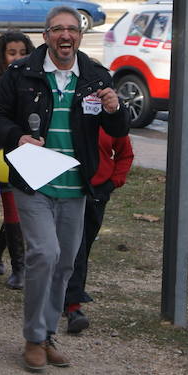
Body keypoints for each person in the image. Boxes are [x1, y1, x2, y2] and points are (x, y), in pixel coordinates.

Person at [0, 6, 128, 372]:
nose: (66, 36)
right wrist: (16, 137)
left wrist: (114, 109)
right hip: (33, 180)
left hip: (76, 185)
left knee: (64, 263)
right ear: (46, 35)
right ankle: (33, 338)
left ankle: (46, 334)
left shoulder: (96, 76)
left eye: (73, 30)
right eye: (58, 30)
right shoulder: (22, 73)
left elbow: (118, 128)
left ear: (80, 36)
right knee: (44, 254)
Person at [0, 31, 35, 289]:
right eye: (12, 53)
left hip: (26, 150)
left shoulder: (35, 80)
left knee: (22, 210)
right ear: (0, 56)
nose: (17, 58)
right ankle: (19, 268)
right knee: (13, 207)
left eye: (23, 53)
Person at [63, 130, 133, 334]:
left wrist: (112, 183)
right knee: (77, 247)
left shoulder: (110, 117)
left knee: (84, 246)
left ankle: (67, 296)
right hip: (66, 188)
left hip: (97, 192)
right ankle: (73, 306)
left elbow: (125, 154)